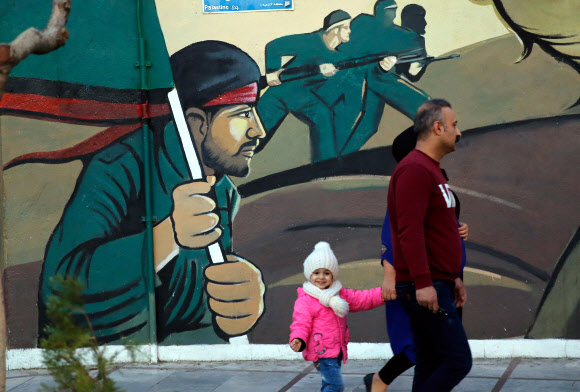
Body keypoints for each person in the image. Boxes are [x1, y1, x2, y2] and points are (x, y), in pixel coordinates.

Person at [38, 41, 267, 345]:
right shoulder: (120, 167)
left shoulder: (222, 191)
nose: (259, 130)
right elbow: (61, 288)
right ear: (197, 125)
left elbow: (192, 304)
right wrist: (169, 235)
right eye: (243, 114)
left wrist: (239, 301)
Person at [364, 126, 469, 391]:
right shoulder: (413, 178)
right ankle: (380, 380)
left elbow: (436, 221)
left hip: (446, 276)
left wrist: (457, 230)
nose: (454, 132)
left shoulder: (433, 176)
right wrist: (389, 276)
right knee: (445, 355)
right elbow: (395, 231)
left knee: (433, 354)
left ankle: (379, 380)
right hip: (423, 278)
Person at [387, 99, 472, 391]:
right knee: (458, 361)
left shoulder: (432, 170)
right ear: (438, 127)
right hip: (424, 286)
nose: (458, 132)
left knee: (431, 362)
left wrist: (453, 277)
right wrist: (425, 283)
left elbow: (438, 229)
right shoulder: (414, 170)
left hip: (439, 281)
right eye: (455, 125)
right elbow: (409, 233)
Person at [337, 0, 430, 157]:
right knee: (367, 125)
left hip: (380, 79)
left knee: (368, 125)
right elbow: (343, 48)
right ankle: (337, 159)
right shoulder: (363, 22)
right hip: (361, 78)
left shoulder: (409, 38)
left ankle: (340, 158)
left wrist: (418, 65)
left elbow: (412, 74)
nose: (390, 13)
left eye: (393, 10)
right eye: (388, 9)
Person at [257, 10, 352, 162]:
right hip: (280, 94)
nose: (349, 31)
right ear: (335, 29)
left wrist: (327, 76)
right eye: (346, 27)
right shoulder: (311, 40)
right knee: (256, 138)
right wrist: (273, 75)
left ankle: (326, 169)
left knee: (324, 119)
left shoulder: (338, 57)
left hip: (304, 98)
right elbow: (274, 47)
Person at [289, 242, 384, 392]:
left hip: (336, 350)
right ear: (309, 274)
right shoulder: (305, 300)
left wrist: (384, 293)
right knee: (335, 386)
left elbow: (362, 299)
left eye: (326, 273)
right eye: (316, 273)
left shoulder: (340, 293)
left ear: (333, 274)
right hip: (320, 352)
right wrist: (298, 339)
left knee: (329, 385)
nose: (321, 277)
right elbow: (301, 323)